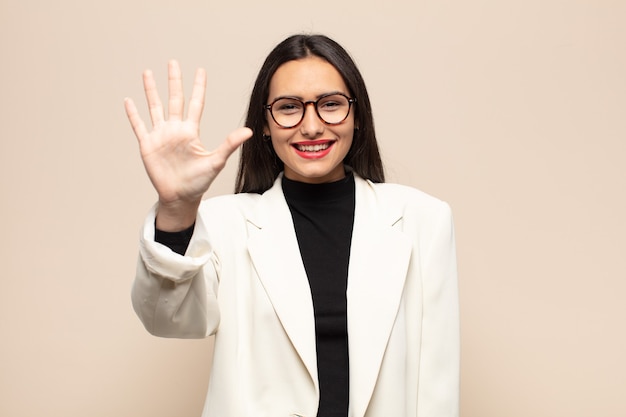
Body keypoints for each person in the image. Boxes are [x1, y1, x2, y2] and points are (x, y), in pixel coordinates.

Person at [125, 34, 459, 417]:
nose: (312, 126)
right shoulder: (224, 224)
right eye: (289, 108)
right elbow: (165, 318)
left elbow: (438, 384)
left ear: (357, 115)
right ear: (265, 124)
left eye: (331, 105)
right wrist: (176, 209)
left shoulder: (424, 220)